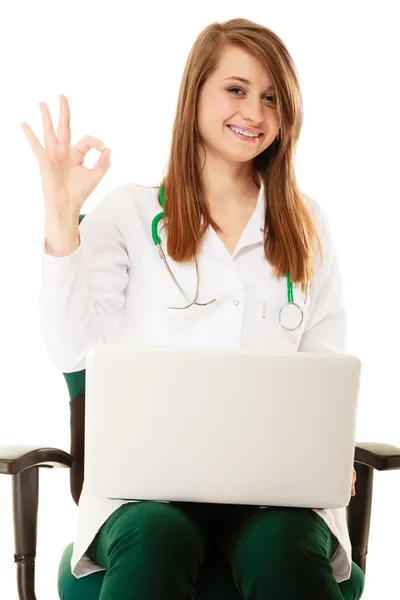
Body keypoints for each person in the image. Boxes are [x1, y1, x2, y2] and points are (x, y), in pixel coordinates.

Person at [21, 16, 364, 600]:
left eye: (272, 98)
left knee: (282, 547)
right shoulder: (129, 215)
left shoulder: (307, 227)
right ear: (195, 94)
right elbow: (71, 346)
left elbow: (324, 373)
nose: (254, 113)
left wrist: (330, 456)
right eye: (236, 89)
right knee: (156, 537)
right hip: (143, 498)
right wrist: (61, 216)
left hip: (275, 495)